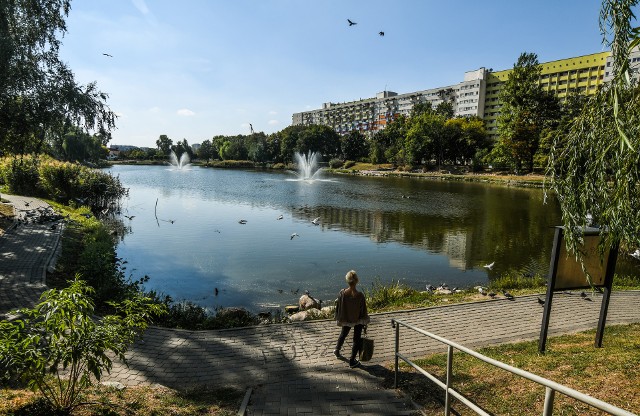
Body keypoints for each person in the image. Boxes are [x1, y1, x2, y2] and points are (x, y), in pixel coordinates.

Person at [333, 270, 370, 368]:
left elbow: (339, 307)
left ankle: (337, 350)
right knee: (356, 339)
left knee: (343, 334)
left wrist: (339, 317)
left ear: (347, 281)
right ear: (357, 281)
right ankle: (352, 360)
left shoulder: (342, 293)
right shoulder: (360, 295)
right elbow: (363, 310)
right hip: (357, 320)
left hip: (346, 319)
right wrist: (365, 321)